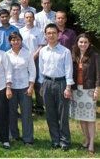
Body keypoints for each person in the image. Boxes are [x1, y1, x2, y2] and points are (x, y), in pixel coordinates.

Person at [38, 23, 74, 151]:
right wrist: (42, 85)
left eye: (54, 32)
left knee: (63, 114)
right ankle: (55, 140)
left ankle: (65, 141)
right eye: (49, 33)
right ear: (45, 35)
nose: (51, 35)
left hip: (61, 83)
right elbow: (41, 70)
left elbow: (69, 70)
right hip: (47, 83)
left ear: (58, 34)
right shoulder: (42, 51)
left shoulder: (65, 51)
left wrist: (68, 87)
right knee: (50, 114)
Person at [70, 33, 99, 154]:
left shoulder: (95, 55)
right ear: (77, 43)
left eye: (85, 42)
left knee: (90, 118)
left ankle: (92, 143)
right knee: (82, 117)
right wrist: (70, 88)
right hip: (77, 90)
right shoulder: (74, 55)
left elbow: (99, 73)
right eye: (81, 42)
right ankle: (86, 139)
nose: (83, 44)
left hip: (89, 90)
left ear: (89, 43)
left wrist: (97, 89)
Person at [6, 32, 36, 145]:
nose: (15, 42)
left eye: (18, 39)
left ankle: (28, 138)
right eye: (13, 40)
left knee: (26, 114)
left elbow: (32, 71)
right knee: (11, 113)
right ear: (10, 42)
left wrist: (31, 86)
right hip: (12, 87)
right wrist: (8, 87)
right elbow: (6, 72)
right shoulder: (6, 54)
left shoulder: (27, 53)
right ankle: (14, 135)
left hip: (25, 88)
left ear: (21, 41)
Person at [20, 11, 46, 115]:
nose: (29, 19)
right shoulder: (20, 31)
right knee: (27, 83)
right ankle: (28, 106)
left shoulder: (39, 31)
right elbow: (19, 45)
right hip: (24, 61)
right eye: (27, 17)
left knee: (38, 83)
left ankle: (39, 107)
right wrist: (27, 57)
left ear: (33, 18)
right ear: (24, 19)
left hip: (37, 59)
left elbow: (42, 45)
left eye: (31, 17)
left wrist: (34, 56)